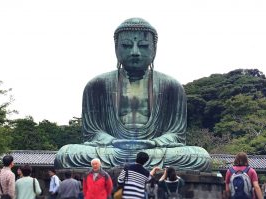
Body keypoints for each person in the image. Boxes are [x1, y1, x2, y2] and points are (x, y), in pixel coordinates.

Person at [55, 17, 211, 172]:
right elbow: (93, 133)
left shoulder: (172, 86)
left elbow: (176, 134)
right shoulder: (97, 85)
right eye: (126, 45)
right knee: (66, 154)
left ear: (154, 49)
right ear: (116, 48)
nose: (135, 52)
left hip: (154, 150)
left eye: (143, 46)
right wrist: (115, 142)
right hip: (112, 149)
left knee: (200, 156)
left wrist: (154, 143)